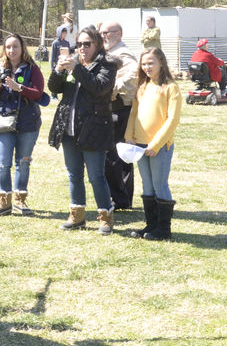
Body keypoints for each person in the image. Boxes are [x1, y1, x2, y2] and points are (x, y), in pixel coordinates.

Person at [48, 26, 117, 235]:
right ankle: (77, 216)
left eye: (87, 44)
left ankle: (106, 217)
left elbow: (99, 87)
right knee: (74, 174)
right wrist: (59, 70)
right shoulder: (74, 63)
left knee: (96, 176)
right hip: (69, 128)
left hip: (93, 129)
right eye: (79, 44)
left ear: (97, 44)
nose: (82, 48)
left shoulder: (107, 64)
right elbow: (54, 88)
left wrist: (76, 69)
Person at [124, 47, 182, 241]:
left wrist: (155, 145)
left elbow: (172, 120)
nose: (147, 67)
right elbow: (134, 114)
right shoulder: (143, 86)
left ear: (161, 63)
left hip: (159, 147)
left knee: (159, 184)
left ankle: (164, 230)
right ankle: (151, 225)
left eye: (151, 63)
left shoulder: (171, 88)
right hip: (140, 146)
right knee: (147, 185)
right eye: (144, 63)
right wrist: (129, 136)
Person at [0, 33, 45, 217]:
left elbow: (38, 93)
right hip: (4, 121)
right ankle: (4, 202)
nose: (12, 50)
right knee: (2, 163)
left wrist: (19, 87)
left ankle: (20, 201)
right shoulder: (0, 68)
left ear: (22, 48)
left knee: (23, 162)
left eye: (15, 46)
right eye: (8, 47)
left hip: (27, 122)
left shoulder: (32, 69)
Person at [99, 20, 139, 211]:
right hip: (114, 108)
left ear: (119, 33)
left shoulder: (122, 53)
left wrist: (112, 89)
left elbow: (134, 74)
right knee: (118, 154)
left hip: (120, 108)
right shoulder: (111, 52)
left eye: (107, 32)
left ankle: (120, 198)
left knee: (114, 155)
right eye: (101, 33)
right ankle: (122, 198)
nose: (103, 36)